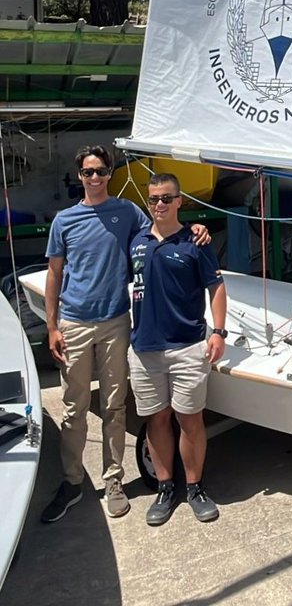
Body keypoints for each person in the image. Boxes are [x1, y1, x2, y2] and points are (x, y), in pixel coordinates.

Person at [42, 145, 210, 524]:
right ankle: (71, 483)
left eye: (101, 171)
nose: (95, 178)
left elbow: (161, 229)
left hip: (117, 321)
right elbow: (54, 273)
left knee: (115, 407)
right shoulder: (64, 221)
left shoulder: (127, 212)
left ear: (110, 174)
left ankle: (114, 480)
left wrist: (196, 228)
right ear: (80, 176)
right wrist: (52, 326)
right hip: (75, 322)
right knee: (73, 409)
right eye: (88, 172)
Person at [128, 173, 227, 526]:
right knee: (156, 419)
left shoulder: (195, 242)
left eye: (166, 198)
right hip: (145, 348)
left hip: (187, 346)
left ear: (179, 200)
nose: (159, 205)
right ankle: (165, 487)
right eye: (153, 199)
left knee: (190, 420)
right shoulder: (136, 241)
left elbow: (216, 287)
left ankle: (196, 487)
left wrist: (218, 331)